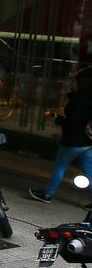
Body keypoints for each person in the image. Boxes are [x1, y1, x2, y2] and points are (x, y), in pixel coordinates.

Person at [29, 73, 92, 204]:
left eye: (76, 81)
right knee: (89, 170)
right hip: (87, 141)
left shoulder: (79, 99)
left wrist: (59, 119)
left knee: (60, 167)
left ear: (83, 82)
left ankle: (47, 194)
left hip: (73, 141)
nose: (73, 83)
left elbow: (73, 122)